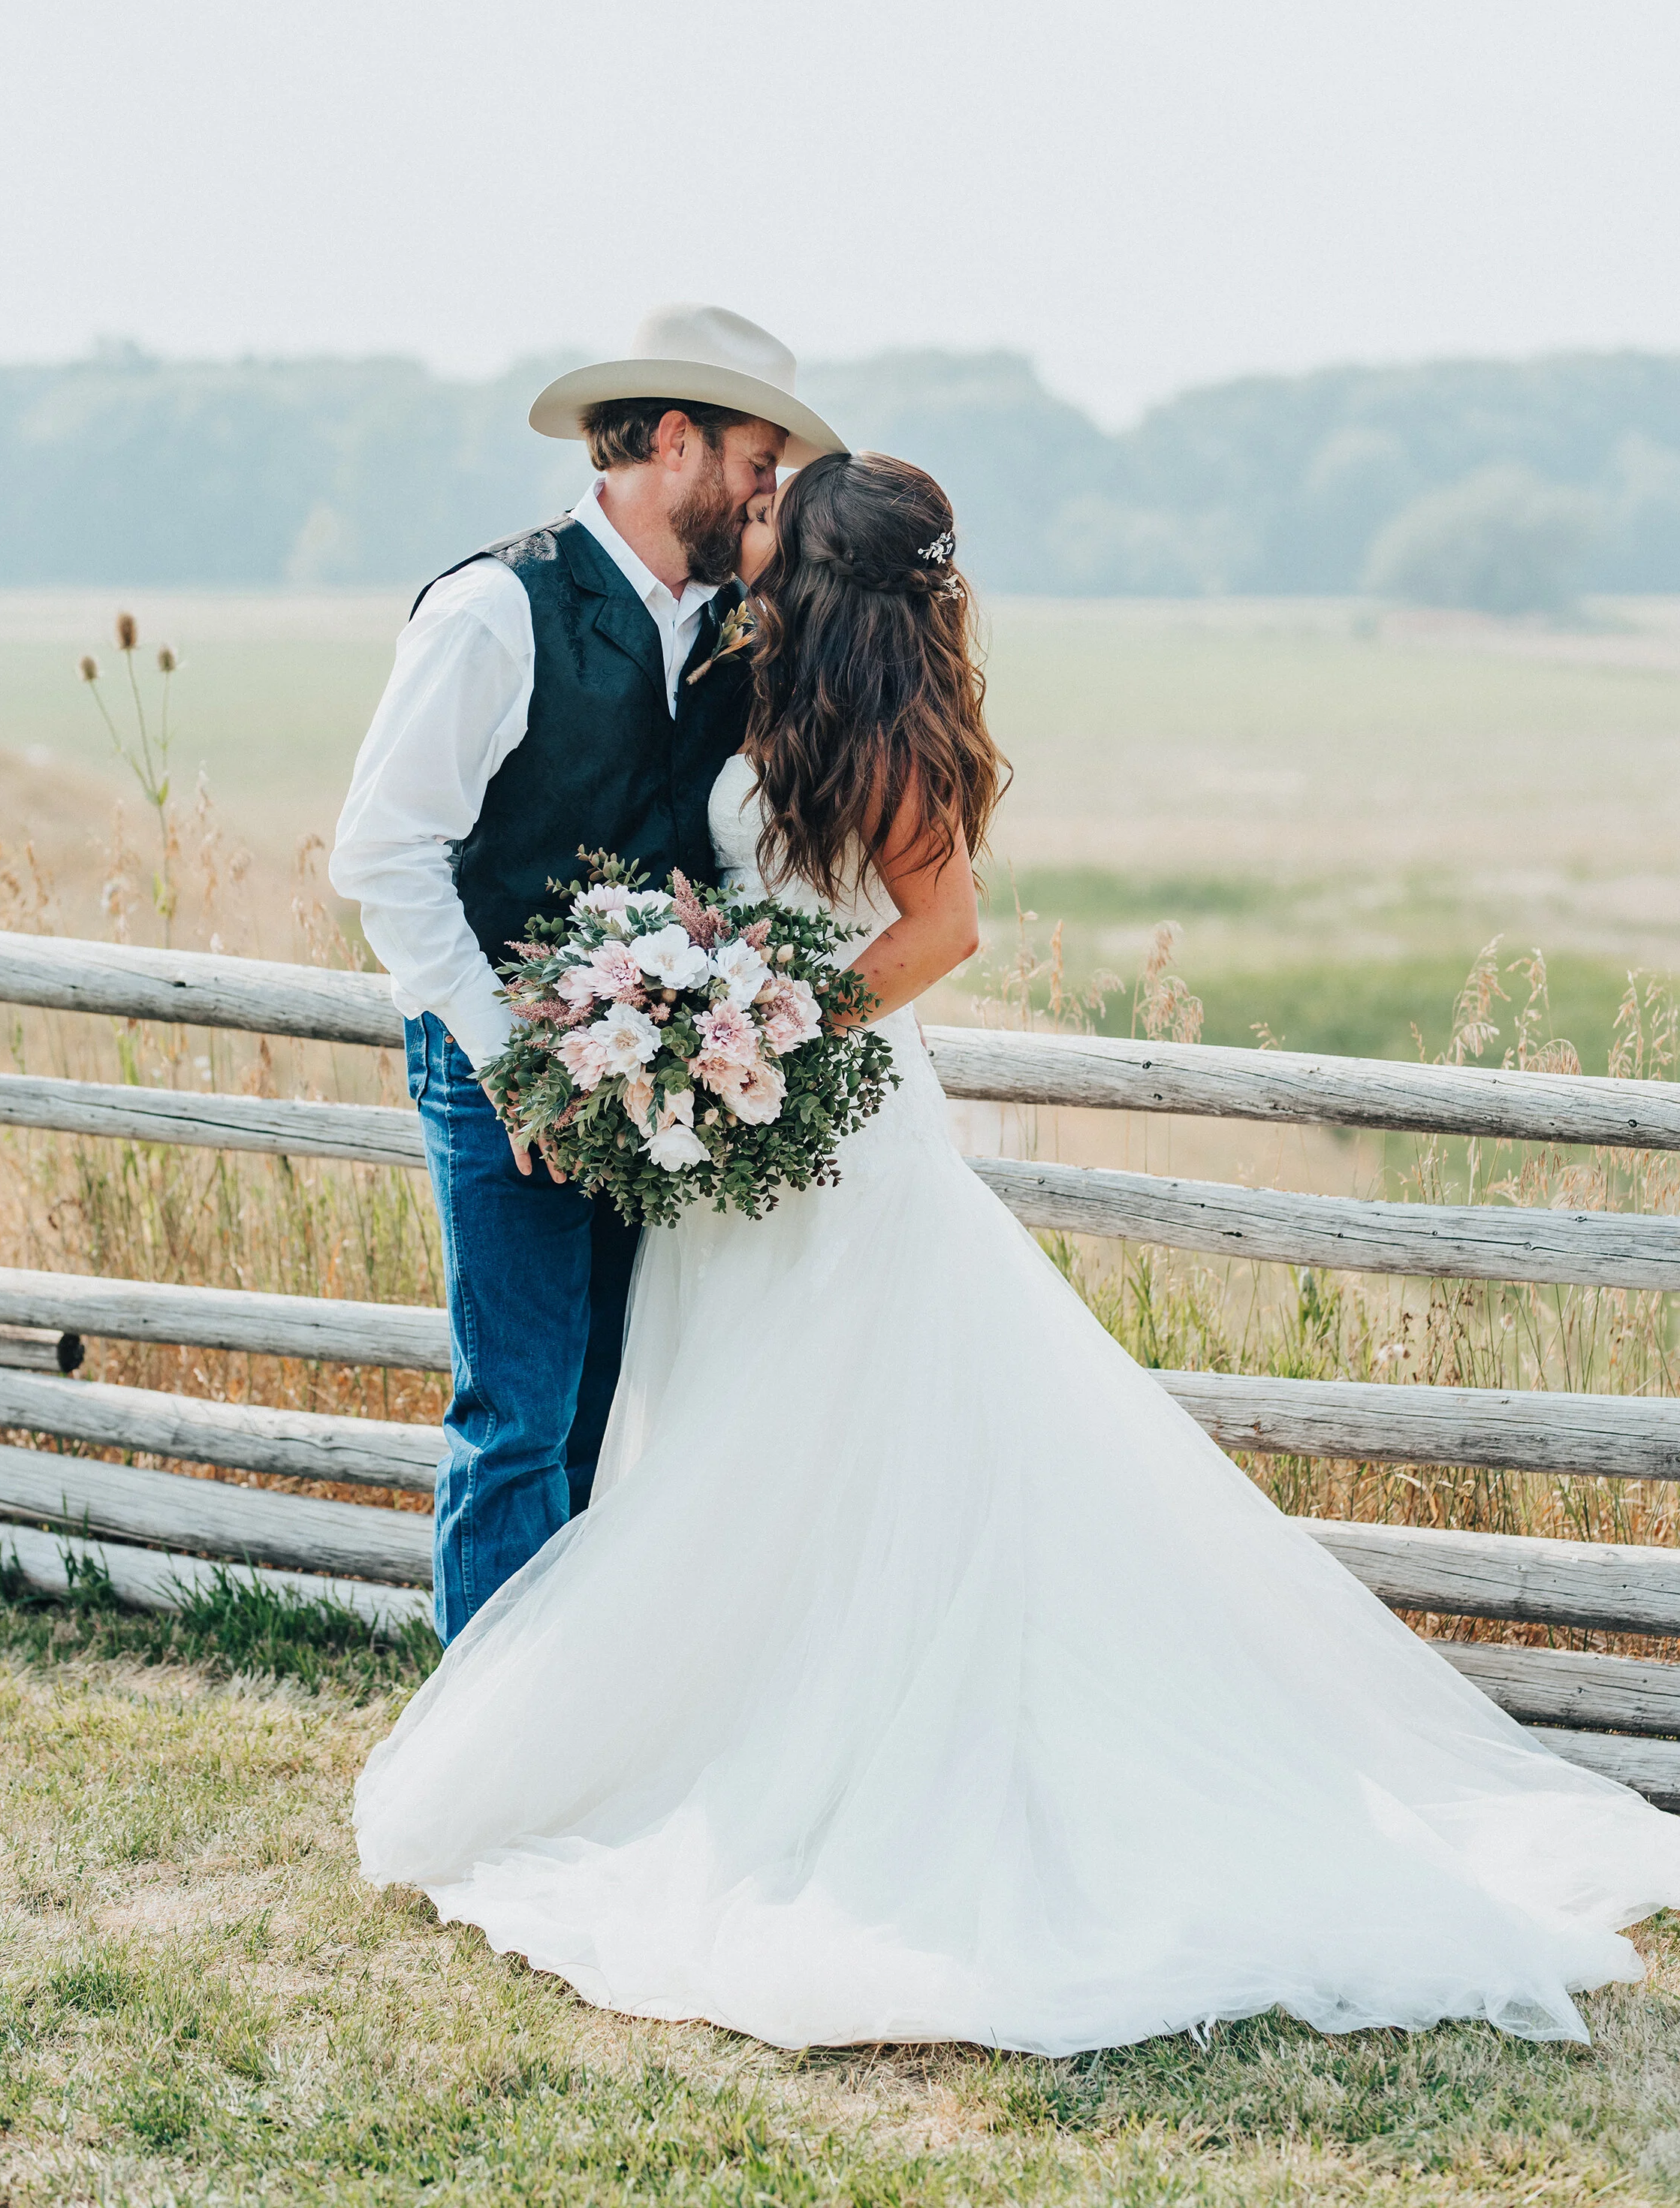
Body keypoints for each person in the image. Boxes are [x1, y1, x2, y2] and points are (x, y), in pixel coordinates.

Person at [354, 450, 1680, 2056]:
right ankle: (712, 1734)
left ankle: (866, 1758)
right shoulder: (748, 680)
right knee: (736, 1444)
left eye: (775, 511)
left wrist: (760, 1025)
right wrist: (712, 1017)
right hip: (747, 1144)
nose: (749, 518)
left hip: (827, 1131)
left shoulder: (880, 730)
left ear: (823, 569)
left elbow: (942, 932)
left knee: (859, 1433)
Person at [330, 303, 846, 1641]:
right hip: (492, 1059)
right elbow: (383, 854)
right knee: (517, 1412)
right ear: (675, 440)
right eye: (755, 456)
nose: (766, 487)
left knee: (610, 1405)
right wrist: (513, 1061)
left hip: (662, 1083)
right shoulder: (498, 608)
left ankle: (556, 1736)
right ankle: (479, 1772)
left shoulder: (741, 622)